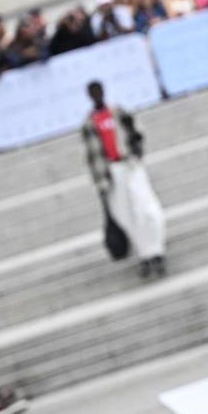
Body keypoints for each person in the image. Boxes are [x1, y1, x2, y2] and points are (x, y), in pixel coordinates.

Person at [81, 81, 167, 278]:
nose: (97, 96)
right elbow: (92, 155)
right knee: (125, 214)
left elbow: (137, 132)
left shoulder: (118, 112)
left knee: (147, 209)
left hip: (130, 164)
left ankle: (156, 249)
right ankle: (145, 254)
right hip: (112, 170)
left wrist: (136, 153)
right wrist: (100, 181)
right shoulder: (89, 123)